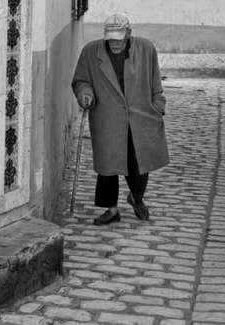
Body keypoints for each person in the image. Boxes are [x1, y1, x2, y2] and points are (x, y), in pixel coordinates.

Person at [72, 13, 170, 225]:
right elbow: (80, 80)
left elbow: (155, 81)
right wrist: (84, 93)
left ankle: (136, 197)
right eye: (111, 39)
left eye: (119, 38)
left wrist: (158, 104)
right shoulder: (91, 52)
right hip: (107, 117)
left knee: (140, 161)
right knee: (108, 166)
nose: (114, 43)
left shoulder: (145, 49)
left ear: (129, 34)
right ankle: (112, 209)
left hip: (141, 115)